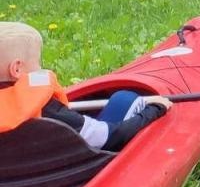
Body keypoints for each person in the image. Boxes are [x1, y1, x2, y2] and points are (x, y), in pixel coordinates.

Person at [0, 22, 169, 152]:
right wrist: (156, 108)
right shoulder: (49, 110)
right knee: (123, 99)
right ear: (17, 69)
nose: (41, 69)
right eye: (37, 63)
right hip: (64, 179)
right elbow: (110, 137)